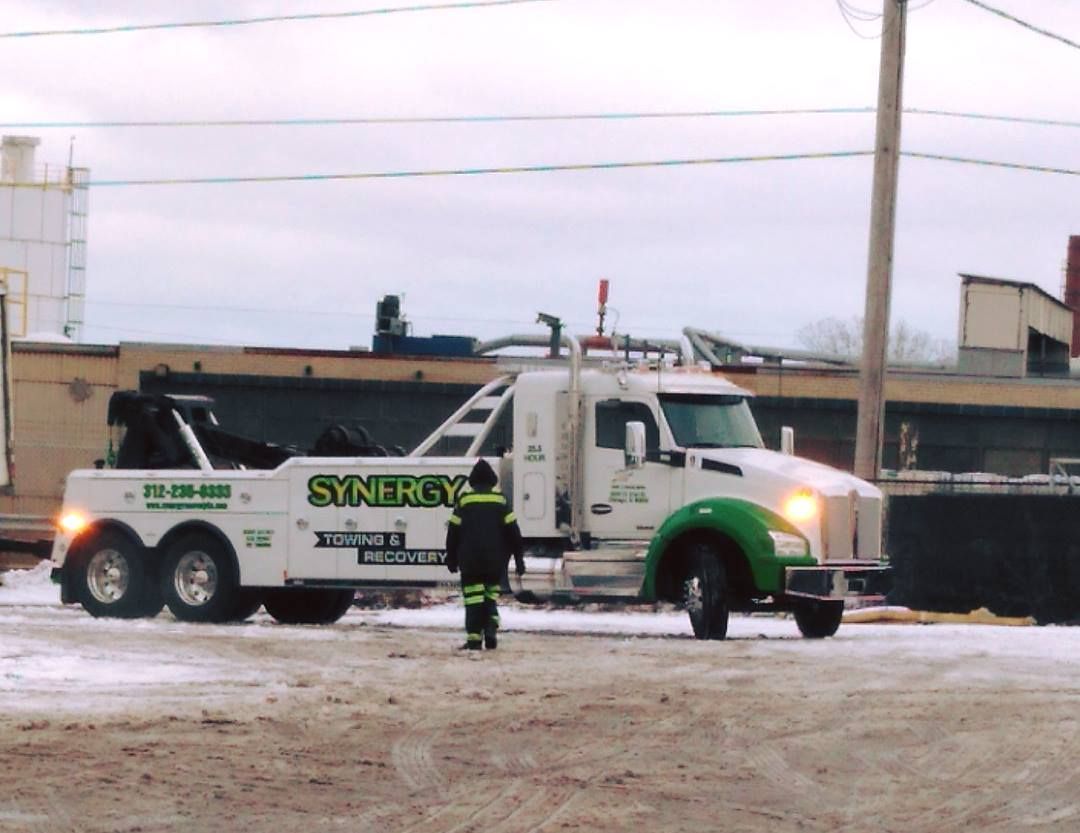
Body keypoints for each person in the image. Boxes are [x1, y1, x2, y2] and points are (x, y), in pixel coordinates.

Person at [445, 459, 525, 650]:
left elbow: (453, 532)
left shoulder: (464, 500)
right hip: (495, 562)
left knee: (473, 599)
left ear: (472, 481)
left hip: (470, 562)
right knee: (490, 597)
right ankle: (490, 631)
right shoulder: (501, 501)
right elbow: (514, 532)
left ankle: (474, 639)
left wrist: (451, 557)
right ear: (492, 480)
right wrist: (519, 559)